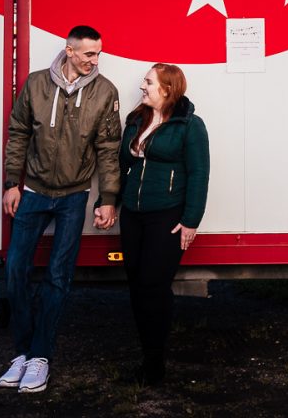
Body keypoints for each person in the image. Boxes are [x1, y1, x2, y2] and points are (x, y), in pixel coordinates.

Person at [0, 25, 122, 394]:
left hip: (73, 195)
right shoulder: (36, 84)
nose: (95, 61)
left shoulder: (105, 92)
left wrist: (109, 198)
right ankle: (22, 352)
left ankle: (40, 356)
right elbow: (18, 132)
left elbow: (108, 150)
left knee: (58, 276)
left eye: (98, 54)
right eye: (88, 54)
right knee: (16, 270)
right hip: (33, 192)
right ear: (69, 51)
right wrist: (11, 184)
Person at [118, 63, 210, 386]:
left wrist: (190, 221)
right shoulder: (136, 120)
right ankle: (147, 353)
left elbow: (199, 174)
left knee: (153, 287)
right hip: (132, 215)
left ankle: (154, 362)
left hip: (167, 216)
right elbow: (122, 165)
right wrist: (112, 203)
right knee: (136, 286)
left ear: (167, 89)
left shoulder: (190, 125)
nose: (142, 87)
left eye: (148, 83)